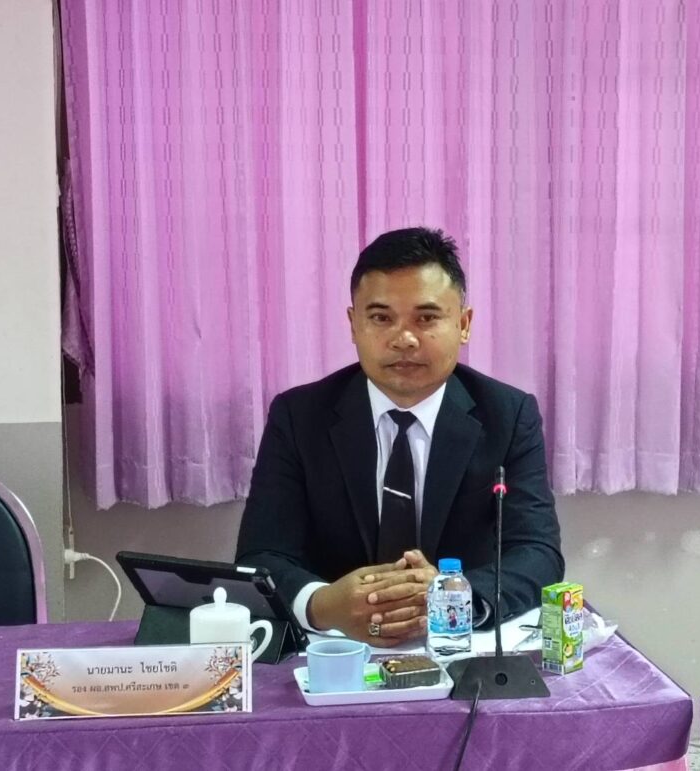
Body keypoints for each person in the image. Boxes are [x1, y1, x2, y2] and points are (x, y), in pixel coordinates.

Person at [235, 227, 563, 647]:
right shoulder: (299, 416)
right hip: (333, 650)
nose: (404, 339)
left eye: (426, 318)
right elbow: (261, 556)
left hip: (460, 649)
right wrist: (323, 604)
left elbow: (537, 553)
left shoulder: (508, 415)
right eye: (381, 318)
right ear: (353, 324)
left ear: (463, 325)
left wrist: (456, 597)